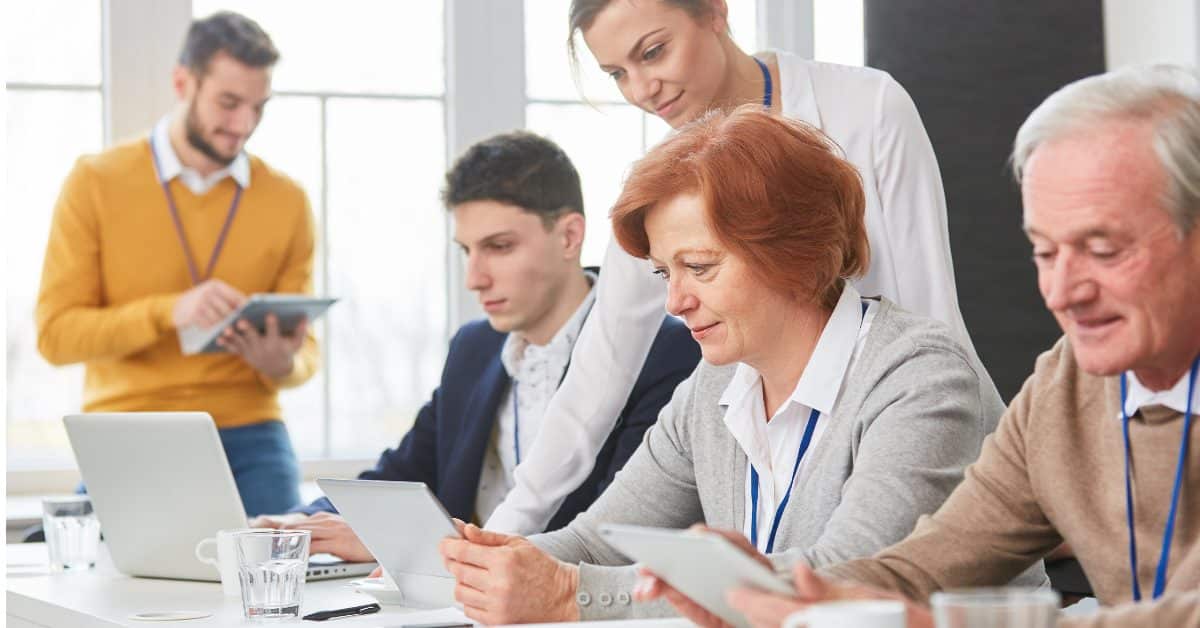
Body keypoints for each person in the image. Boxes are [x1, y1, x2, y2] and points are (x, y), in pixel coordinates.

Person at [437, 107, 1039, 625]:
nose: (675, 302)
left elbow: (844, 579)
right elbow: (597, 542)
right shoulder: (716, 384)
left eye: (699, 268)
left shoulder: (919, 377)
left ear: (793, 252)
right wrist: (489, 560)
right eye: (665, 273)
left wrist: (572, 594)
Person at [662, 65, 1200, 628]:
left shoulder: (919, 370)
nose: (1062, 293)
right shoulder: (1066, 386)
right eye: (1045, 253)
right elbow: (929, 564)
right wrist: (778, 593)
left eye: (1105, 250)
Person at [486, 0, 992, 536]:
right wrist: (501, 535)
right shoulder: (667, 193)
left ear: (714, 11)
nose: (641, 89)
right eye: (617, 74)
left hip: (908, 426)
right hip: (789, 433)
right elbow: (598, 373)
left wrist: (986, 481)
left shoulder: (867, 108)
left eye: (653, 52)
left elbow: (931, 312)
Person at [253, 131, 701, 562]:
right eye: (467, 251)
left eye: (499, 247)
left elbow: (609, 535)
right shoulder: (475, 347)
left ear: (569, 237)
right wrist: (296, 523)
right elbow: (402, 472)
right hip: (457, 595)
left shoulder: (666, 352)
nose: (475, 278)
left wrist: (400, 542)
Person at [35, 12, 315, 516]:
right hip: (130, 428)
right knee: (100, 561)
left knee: (282, 556)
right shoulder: (95, 182)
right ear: (183, 82)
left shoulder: (287, 200)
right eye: (228, 103)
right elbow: (56, 336)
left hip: (249, 431)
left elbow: (306, 354)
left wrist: (282, 363)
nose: (243, 125)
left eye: (258, 107)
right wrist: (169, 312)